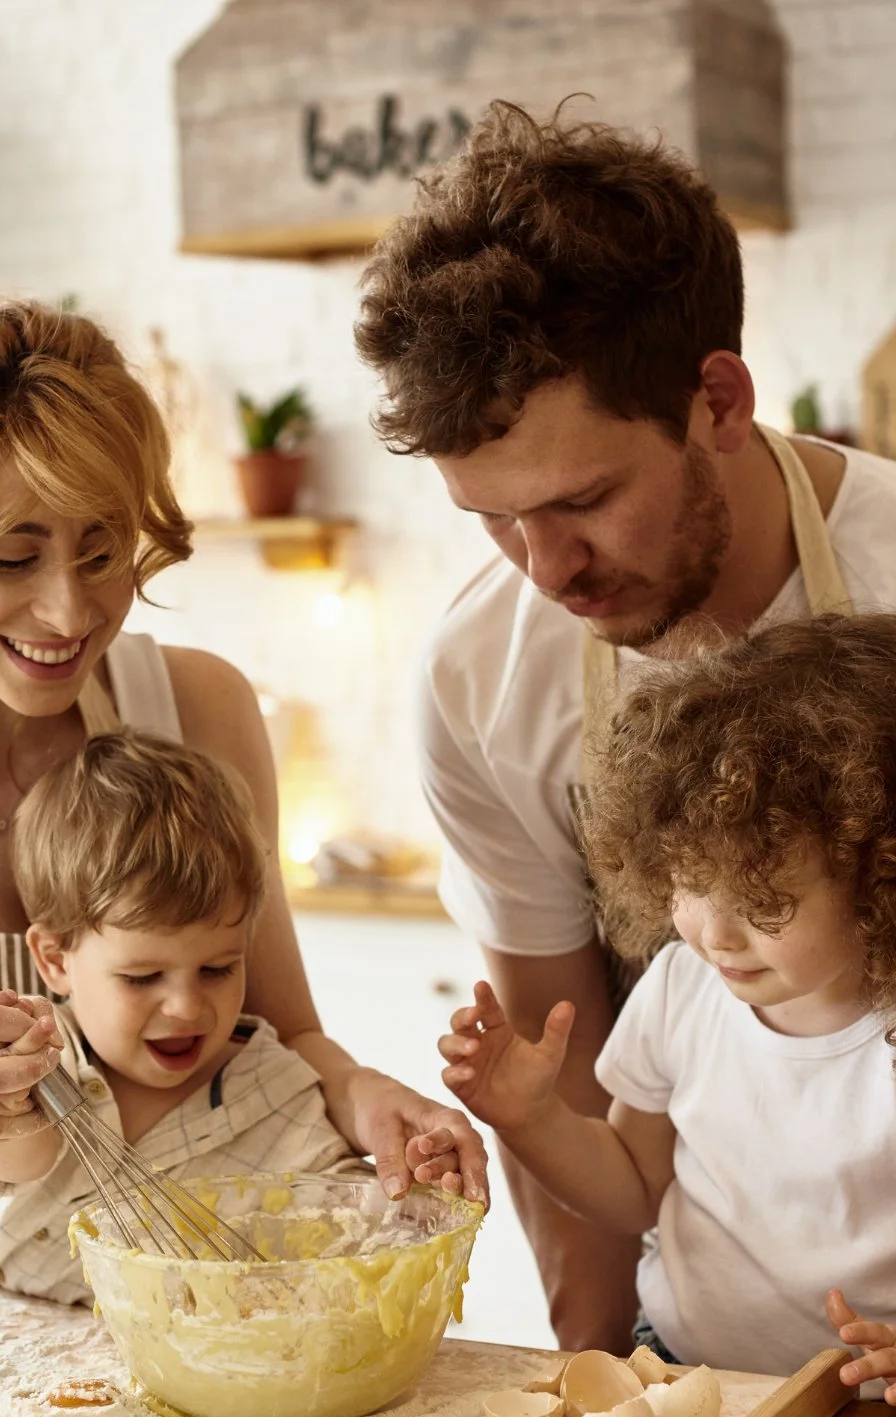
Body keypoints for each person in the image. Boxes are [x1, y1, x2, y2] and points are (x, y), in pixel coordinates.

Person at [0, 298, 485, 1274]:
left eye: (102, 551)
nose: (70, 611)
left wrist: (362, 1092)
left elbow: (280, 1039)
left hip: (177, 1291)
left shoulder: (199, 707)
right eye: (13, 557)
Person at [355, 100, 896, 1352]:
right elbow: (578, 1080)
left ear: (718, 398)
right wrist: (599, 1397)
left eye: (583, 499)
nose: (544, 570)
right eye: (491, 518)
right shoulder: (479, 675)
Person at [440, 616, 896, 1397]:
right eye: (690, 882)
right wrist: (531, 1118)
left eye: (765, 902)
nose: (715, 934)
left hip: (866, 1403)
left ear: (879, 881)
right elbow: (629, 1189)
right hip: (688, 1372)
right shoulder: (685, 990)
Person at [0, 729, 375, 1304]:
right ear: (54, 959)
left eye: (219, 969)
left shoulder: (271, 1087)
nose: (188, 1007)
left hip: (207, 1366)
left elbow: (346, 1210)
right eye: (143, 978)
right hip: (7, 1345)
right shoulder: (42, 1058)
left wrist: (398, 1188)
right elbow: (19, 1157)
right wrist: (2, 1100)